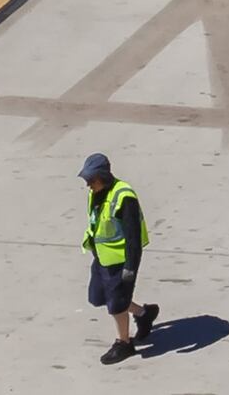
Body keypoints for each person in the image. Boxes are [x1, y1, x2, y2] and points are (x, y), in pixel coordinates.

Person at [80, 152, 152, 364]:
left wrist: (130, 266)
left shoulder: (124, 197)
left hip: (120, 260)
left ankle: (124, 343)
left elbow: (133, 237)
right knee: (98, 297)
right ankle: (143, 313)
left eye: (91, 180)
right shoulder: (97, 192)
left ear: (103, 176)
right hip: (103, 257)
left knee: (116, 304)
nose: (88, 185)